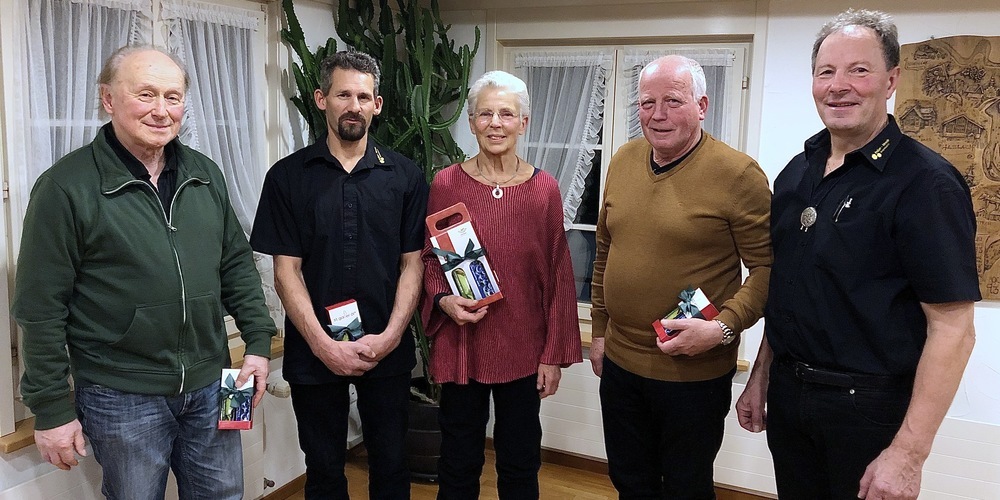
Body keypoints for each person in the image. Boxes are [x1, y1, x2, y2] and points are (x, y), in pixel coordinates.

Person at [11, 45, 276, 499]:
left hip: (213, 383)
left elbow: (235, 263)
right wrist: (51, 408)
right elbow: (40, 309)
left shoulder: (205, 173)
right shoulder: (64, 188)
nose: (161, 110)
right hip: (121, 396)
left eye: (172, 97)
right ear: (109, 98)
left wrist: (256, 343)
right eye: (146, 94)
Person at [736, 9, 980, 500]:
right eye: (826, 72)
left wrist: (909, 453)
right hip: (791, 395)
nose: (839, 85)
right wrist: (761, 375)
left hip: (869, 410)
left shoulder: (925, 185)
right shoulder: (795, 174)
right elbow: (789, 290)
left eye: (859, 70)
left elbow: (954, 330)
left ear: (891, 80)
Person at [589, 55, 772, 499]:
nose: (658, 114)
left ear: (702, 105)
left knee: (686, 487)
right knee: (630, 482)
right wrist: (598, 332)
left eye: (673, 100)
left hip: (692, 374)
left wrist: (722, 327)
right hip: (621, 362)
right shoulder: (625, 159)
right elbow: (604, 249)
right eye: (647, 102)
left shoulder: (738, 174)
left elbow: (768, 268)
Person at [250, 51, 427, 499]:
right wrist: (323, 345)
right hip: (315, 351)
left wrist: (388, 338)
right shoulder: (287, 178)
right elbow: (285, 272)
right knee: (324, 468)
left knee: (390, 464)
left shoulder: (405, 176)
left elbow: (414, 264)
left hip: (386, 348)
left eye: (363, 96)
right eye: (343, 94)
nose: (354, 105)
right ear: (321, 99)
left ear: (378, 104)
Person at [420, 70, 583, 499]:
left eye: (506, 114)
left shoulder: (544, 189)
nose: (495, 123)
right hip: (464, 346)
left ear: (523, 123)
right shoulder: (446, 183)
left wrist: (553, 355)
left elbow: (559, 273)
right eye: (485, 113)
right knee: (458, 461)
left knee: (520, 461)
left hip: (524, 350)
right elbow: (431, 259)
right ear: (471, 122)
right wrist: (443, 301)